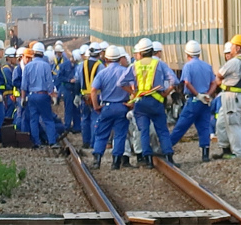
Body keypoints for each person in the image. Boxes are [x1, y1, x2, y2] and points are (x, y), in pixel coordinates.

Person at [118, 37, 179, 168]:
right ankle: (169, 156)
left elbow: (121, 82)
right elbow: (174, 81)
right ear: (152, 51)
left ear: (140, 52)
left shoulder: (135, 65)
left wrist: (133, 92)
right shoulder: (159, 64)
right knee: (162, 130)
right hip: (156, 102)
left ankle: (147, 160)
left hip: (140, 102)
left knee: (143, 131)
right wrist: (165, 93)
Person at [170, 40, 217, 162]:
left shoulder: (188, 66)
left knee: (181, 126)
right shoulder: (207, 66)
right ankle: (205, 154)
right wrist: (207, 94)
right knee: (204, 127)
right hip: (205, 102)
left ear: (187, 54)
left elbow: (187, 82)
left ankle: (167, 148)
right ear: (199, 53)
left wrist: (197, 94)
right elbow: (214, 83)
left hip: (193, 100)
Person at [90, 46, 130, 170]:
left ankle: (97, 160)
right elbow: (134, 88)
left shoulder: (102, 73)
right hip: (122, 106)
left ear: (106, 59)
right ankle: (116, 162)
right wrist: (131, 103)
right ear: (119, 58)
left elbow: (93, 90)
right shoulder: (125, 71)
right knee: (120, 134)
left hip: (106, 107)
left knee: (101, 134)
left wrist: (96, 106)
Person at [214, 34, 241, 159]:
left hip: (232, 97)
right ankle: (226, 149)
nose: (232, 48)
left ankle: (239, 153)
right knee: (221, 123)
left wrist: (220, 82)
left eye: (233, 46)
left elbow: (219, 74)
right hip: (237, 96)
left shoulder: (235, 62)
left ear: (238, 47)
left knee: (233, 125)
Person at [20, 42, 59, 148]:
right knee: (48, 119)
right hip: (43, 95)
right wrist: (52, 95)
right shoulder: (46, 66)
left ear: (33, 53)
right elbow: (49, 83)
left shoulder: (27, 67)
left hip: (32, 96)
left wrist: (23, 98)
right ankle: (52, 142)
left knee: (34, 119)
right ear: (43, 53)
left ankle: (36, 142)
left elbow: (24, 85)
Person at [78, 42, 104, 148]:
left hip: (84, 96)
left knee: (85, 118)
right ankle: (93, 143)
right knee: (95, 118)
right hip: (96, 96)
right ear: (99, 53)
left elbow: (77, 80)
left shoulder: (81, 65)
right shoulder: (100, 66)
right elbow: (102, 82)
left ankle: (85, 141)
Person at [57, 49, 81, 133]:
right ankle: (67, 126)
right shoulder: (63, 65)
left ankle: (77, 127)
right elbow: (59, 77)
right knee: (68, 108)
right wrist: (68, 80)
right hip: (67, 89)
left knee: (76, 108)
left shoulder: (78, 66)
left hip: (75, 89)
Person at [13, 48, 33, 132]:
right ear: (22, 57)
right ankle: (19, 132)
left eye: (30, 58)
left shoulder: (30, 68)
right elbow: (15, 82)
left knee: (28, 115)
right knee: (21, 115)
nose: (28, 60)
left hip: (29, 95)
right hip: (20, 96)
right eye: (26, 58)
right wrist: (24, 86)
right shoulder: (18, 69)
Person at [2, 47, 17, 120]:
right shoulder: (6, 69)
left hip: (11, 95)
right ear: (9, 58)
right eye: (14, 57)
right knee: (8, 114)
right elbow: (11, 83)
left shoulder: (11, 68)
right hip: (8, 95)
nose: (16, 59)